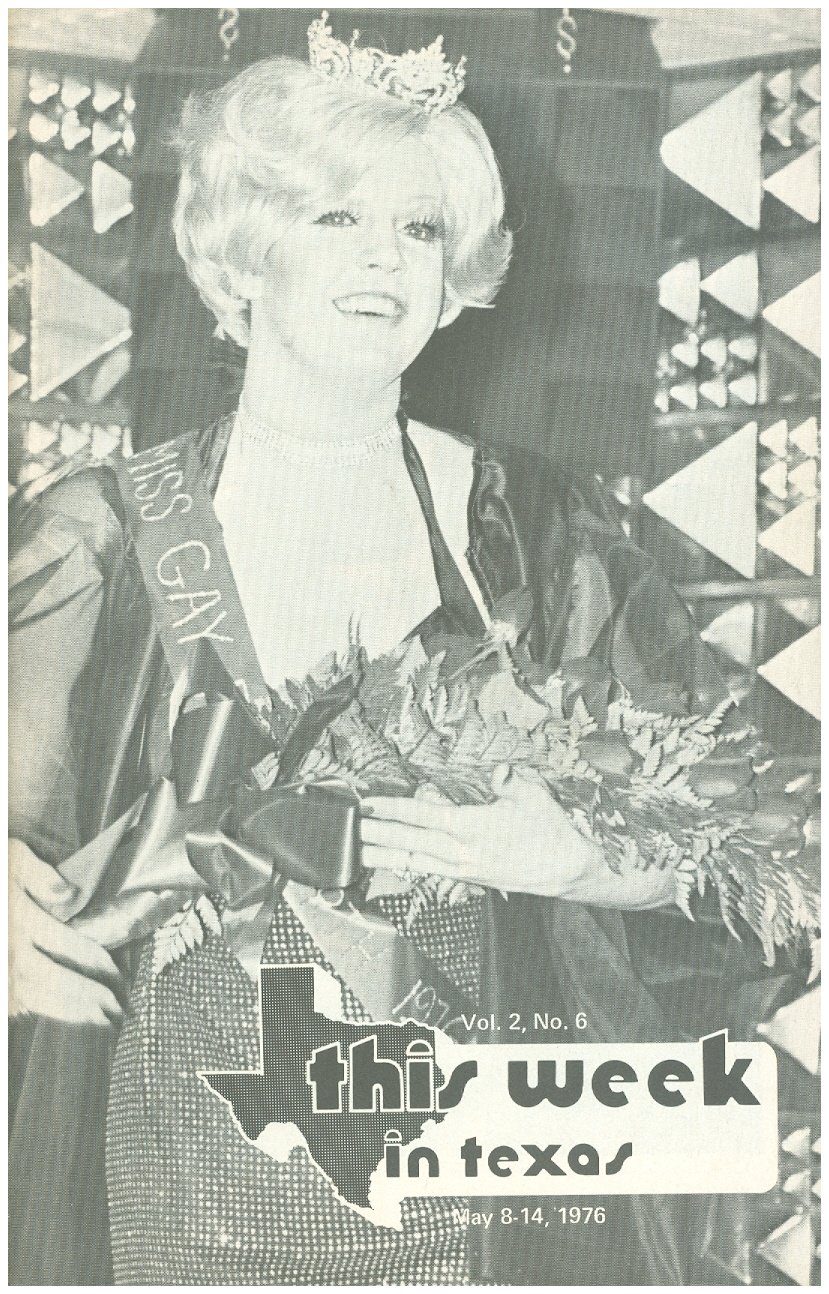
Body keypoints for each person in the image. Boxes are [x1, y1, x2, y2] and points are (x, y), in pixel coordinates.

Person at [8, 14, 787, 1286]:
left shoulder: (538, 532)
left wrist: (580, 861)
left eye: (419, 227)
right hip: (179, 1194)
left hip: (466, 1195)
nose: (385, 257)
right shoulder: (100, 533)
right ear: (242, 254)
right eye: (336, 216)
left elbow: (751, 852)